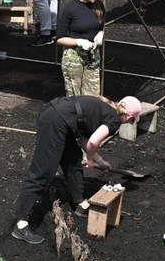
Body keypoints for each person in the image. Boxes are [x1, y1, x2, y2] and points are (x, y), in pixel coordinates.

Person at [11, 95, 142, 245]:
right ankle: (21, 224)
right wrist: (91, 159)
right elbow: (94, 141)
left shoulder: (108, 108)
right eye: (132, 120)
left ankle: (80, 204)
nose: (130, 122)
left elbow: (82, 139)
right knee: (43, 172)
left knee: (73, 158)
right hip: (55, 121)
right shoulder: (114, 120)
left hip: (57, 117)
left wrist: (99, 160)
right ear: (129, 116)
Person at [56, 0, 106, 97]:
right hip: (74, 56)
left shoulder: (99, 6)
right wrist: (79, 42)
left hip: (93, 55)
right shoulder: (70, 9)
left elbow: (101, 27)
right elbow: (60, 38)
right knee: (75, 97)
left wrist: (100, 35)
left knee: (93, 96)